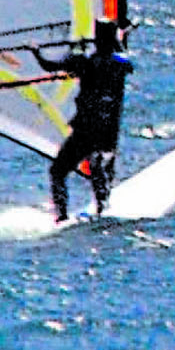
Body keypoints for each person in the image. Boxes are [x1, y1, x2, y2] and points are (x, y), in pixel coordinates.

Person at [37, 23, 133, 222]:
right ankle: (102, 206)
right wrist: (118, 39)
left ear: (97, 40)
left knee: (58, 172)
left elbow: (49, 66)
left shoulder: (85, 62)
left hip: (86, 130)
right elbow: (123, 57)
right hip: (107, 131)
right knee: (97, 163)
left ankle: (62, 215)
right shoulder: (120, 64)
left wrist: (36, 52)